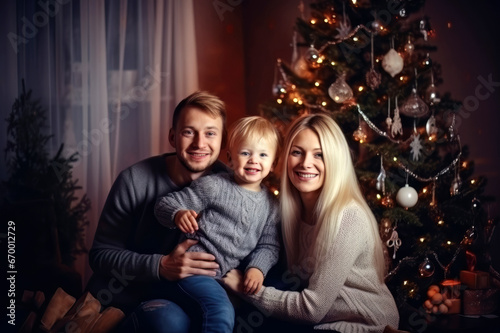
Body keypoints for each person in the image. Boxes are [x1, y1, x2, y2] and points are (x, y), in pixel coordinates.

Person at [223, 113, 400, 333]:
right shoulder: (287, 211)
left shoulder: (348, 216)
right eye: (297, 152)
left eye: (319, 155)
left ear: (335, 161)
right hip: (321, 322)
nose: (306, 163)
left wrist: (245, 288)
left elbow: (311, 309)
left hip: (365, 324)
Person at [86, 91, 229, 333]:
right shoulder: (135, 180)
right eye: (188, 132)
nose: (199, 144)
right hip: (129, 301)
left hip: (190, 297)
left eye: (210, 133)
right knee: (168, 321)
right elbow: (100, 255)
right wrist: (160, 266)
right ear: (173, 137)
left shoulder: (232, 187)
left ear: (222, 142)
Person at [154, 116, 282, 332]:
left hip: (223, 277)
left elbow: (269, 245)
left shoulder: (271, 205)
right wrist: (178, 214)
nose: (253, 160)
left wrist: (257, 269)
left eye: (262, 154)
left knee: (244, 313)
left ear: (273, 163)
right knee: (220, 311)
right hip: (192, 272)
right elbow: (165, 203)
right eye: (245, 153)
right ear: (231, 159)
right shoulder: (213, 186)